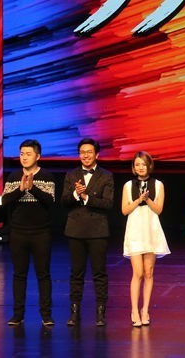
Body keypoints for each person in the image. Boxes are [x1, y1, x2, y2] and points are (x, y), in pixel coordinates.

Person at [1, 139, 56, 327]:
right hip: (18, 232)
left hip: (41, 233)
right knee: (19, 274)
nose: (24, 157)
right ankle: (18, 314)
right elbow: (5, 200)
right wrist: (21, 189)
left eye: (28, 154)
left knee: (43, 274)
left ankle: (46, 315)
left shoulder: (47, 176)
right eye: (21, 154)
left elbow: (50, 201)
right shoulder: (13, 176)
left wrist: (33, 188)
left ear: (38, 156)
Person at [61, 137, 114, 327]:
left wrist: (86, 196)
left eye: (89, 152)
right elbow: (64, 201)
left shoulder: (106, 175)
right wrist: (76, 194)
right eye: (82, 152)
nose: (85, 155)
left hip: (98, 230)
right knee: (76, 273)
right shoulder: (71, 174)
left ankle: (100, 313)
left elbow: (108, 203)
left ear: (96, 154)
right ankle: (74, 312)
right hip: (76, 230)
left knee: (99, 273)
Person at [121, 151, 170, 327]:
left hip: (151, 229)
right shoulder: (128, 185)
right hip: (135, 230)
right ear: (134, 167)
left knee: (149, 272)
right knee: (138, 272)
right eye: (137, 165)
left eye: (143, 164)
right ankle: (134, 310)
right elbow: (124, 210)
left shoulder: (158, 184)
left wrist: (147, 199)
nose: (140, 167)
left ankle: (145, 310)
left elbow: (158, 209)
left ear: (149, 166)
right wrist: (138, 200)